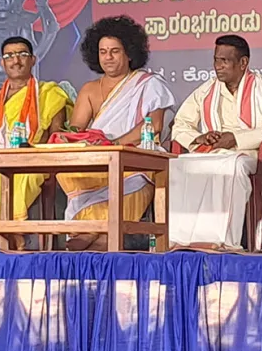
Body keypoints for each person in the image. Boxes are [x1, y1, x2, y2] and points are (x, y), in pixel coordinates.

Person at [59, 16, 175, 251]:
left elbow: (153, 126)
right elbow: (76, 129)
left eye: (114, 51)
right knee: (67, 171)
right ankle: (91, 232)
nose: (108, 58)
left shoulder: (148, 84)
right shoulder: (89, 90)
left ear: (129, 53)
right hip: (98, 158)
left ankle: (95, 233)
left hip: (135, 158)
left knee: (135, 177)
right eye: (103, 52)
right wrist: (68, 137)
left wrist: (114, 145)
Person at [169, 35, 262, 249]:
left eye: (224, 61)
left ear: (243, 63)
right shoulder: (207, 90)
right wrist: (199, 138)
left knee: (233, 166)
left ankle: (224, 241)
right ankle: (181, 239)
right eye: (216, 60)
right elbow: (180, 124)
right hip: (211, 152)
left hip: (248, 153)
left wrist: (236, 138)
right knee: (178, 164)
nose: (218, 66)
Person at [0, 36, 71, 245]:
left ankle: (7, 231)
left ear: (33, 60)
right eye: (9, 56)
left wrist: (37, 152)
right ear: (2, 62)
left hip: (31, 159)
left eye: (22, 54)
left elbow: (56, 134)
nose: (16, 60)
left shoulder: (49, 94)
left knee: (27, 176)